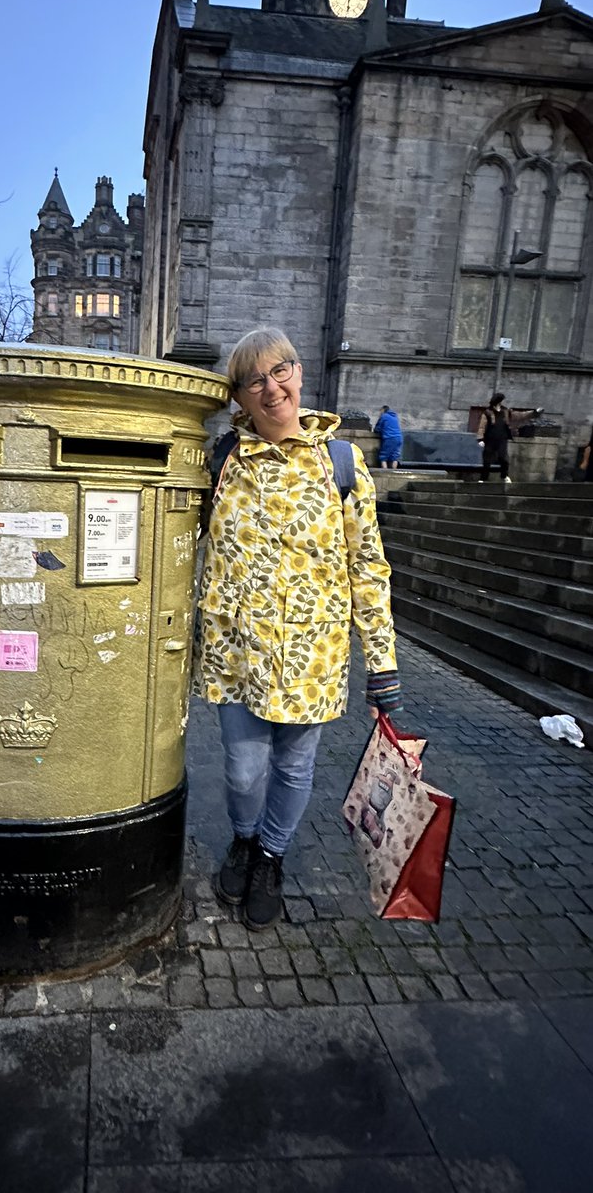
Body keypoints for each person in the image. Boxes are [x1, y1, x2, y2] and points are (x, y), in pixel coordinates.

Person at [195, 326, 401, 931]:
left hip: (313, 655)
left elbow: (368, 564)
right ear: (238, 396)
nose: (270, 387)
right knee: (241, 768)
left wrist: (382, 661)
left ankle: (270, 857)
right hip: (236, 653)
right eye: (253, 379)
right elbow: (185, 546)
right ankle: (243, 837)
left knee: (292, 768)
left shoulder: (341, 462)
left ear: (299, 372)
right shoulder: (221, 461)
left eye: (279, 370)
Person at [476, 392, 543, 484]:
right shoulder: (488, 412)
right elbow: (482, 426)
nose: (503, 402)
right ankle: (483, 478)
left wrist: (533, 413)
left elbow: (520, 415)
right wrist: (480, 439)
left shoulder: (505, 411)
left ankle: (504, 476)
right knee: (487, 459)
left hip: (502, 438)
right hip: (490, 439)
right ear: (498, 401)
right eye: (501, 400)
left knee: (503, 458)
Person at [373, 405, 403, 469]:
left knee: (383, 456)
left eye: (380, 411)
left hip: (389, 438)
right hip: (399, 438)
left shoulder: (384, 416)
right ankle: (394, 472)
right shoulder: (395, 416)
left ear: (383, 410)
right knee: (395, 456)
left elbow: (378, 428)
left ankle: (385, 472)